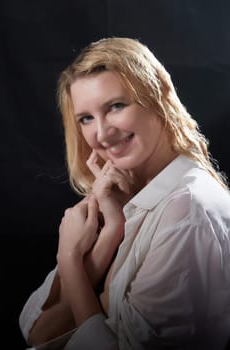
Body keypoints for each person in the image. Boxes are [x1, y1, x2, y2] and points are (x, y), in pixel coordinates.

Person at [19, 37, 230, 350]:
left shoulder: (186, 210)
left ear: (158, 97)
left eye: (116, 106)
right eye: (86, 118)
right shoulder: (130, 198)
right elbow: (35, 330)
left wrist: (70, 260)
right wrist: (110, 236)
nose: (101, 134)